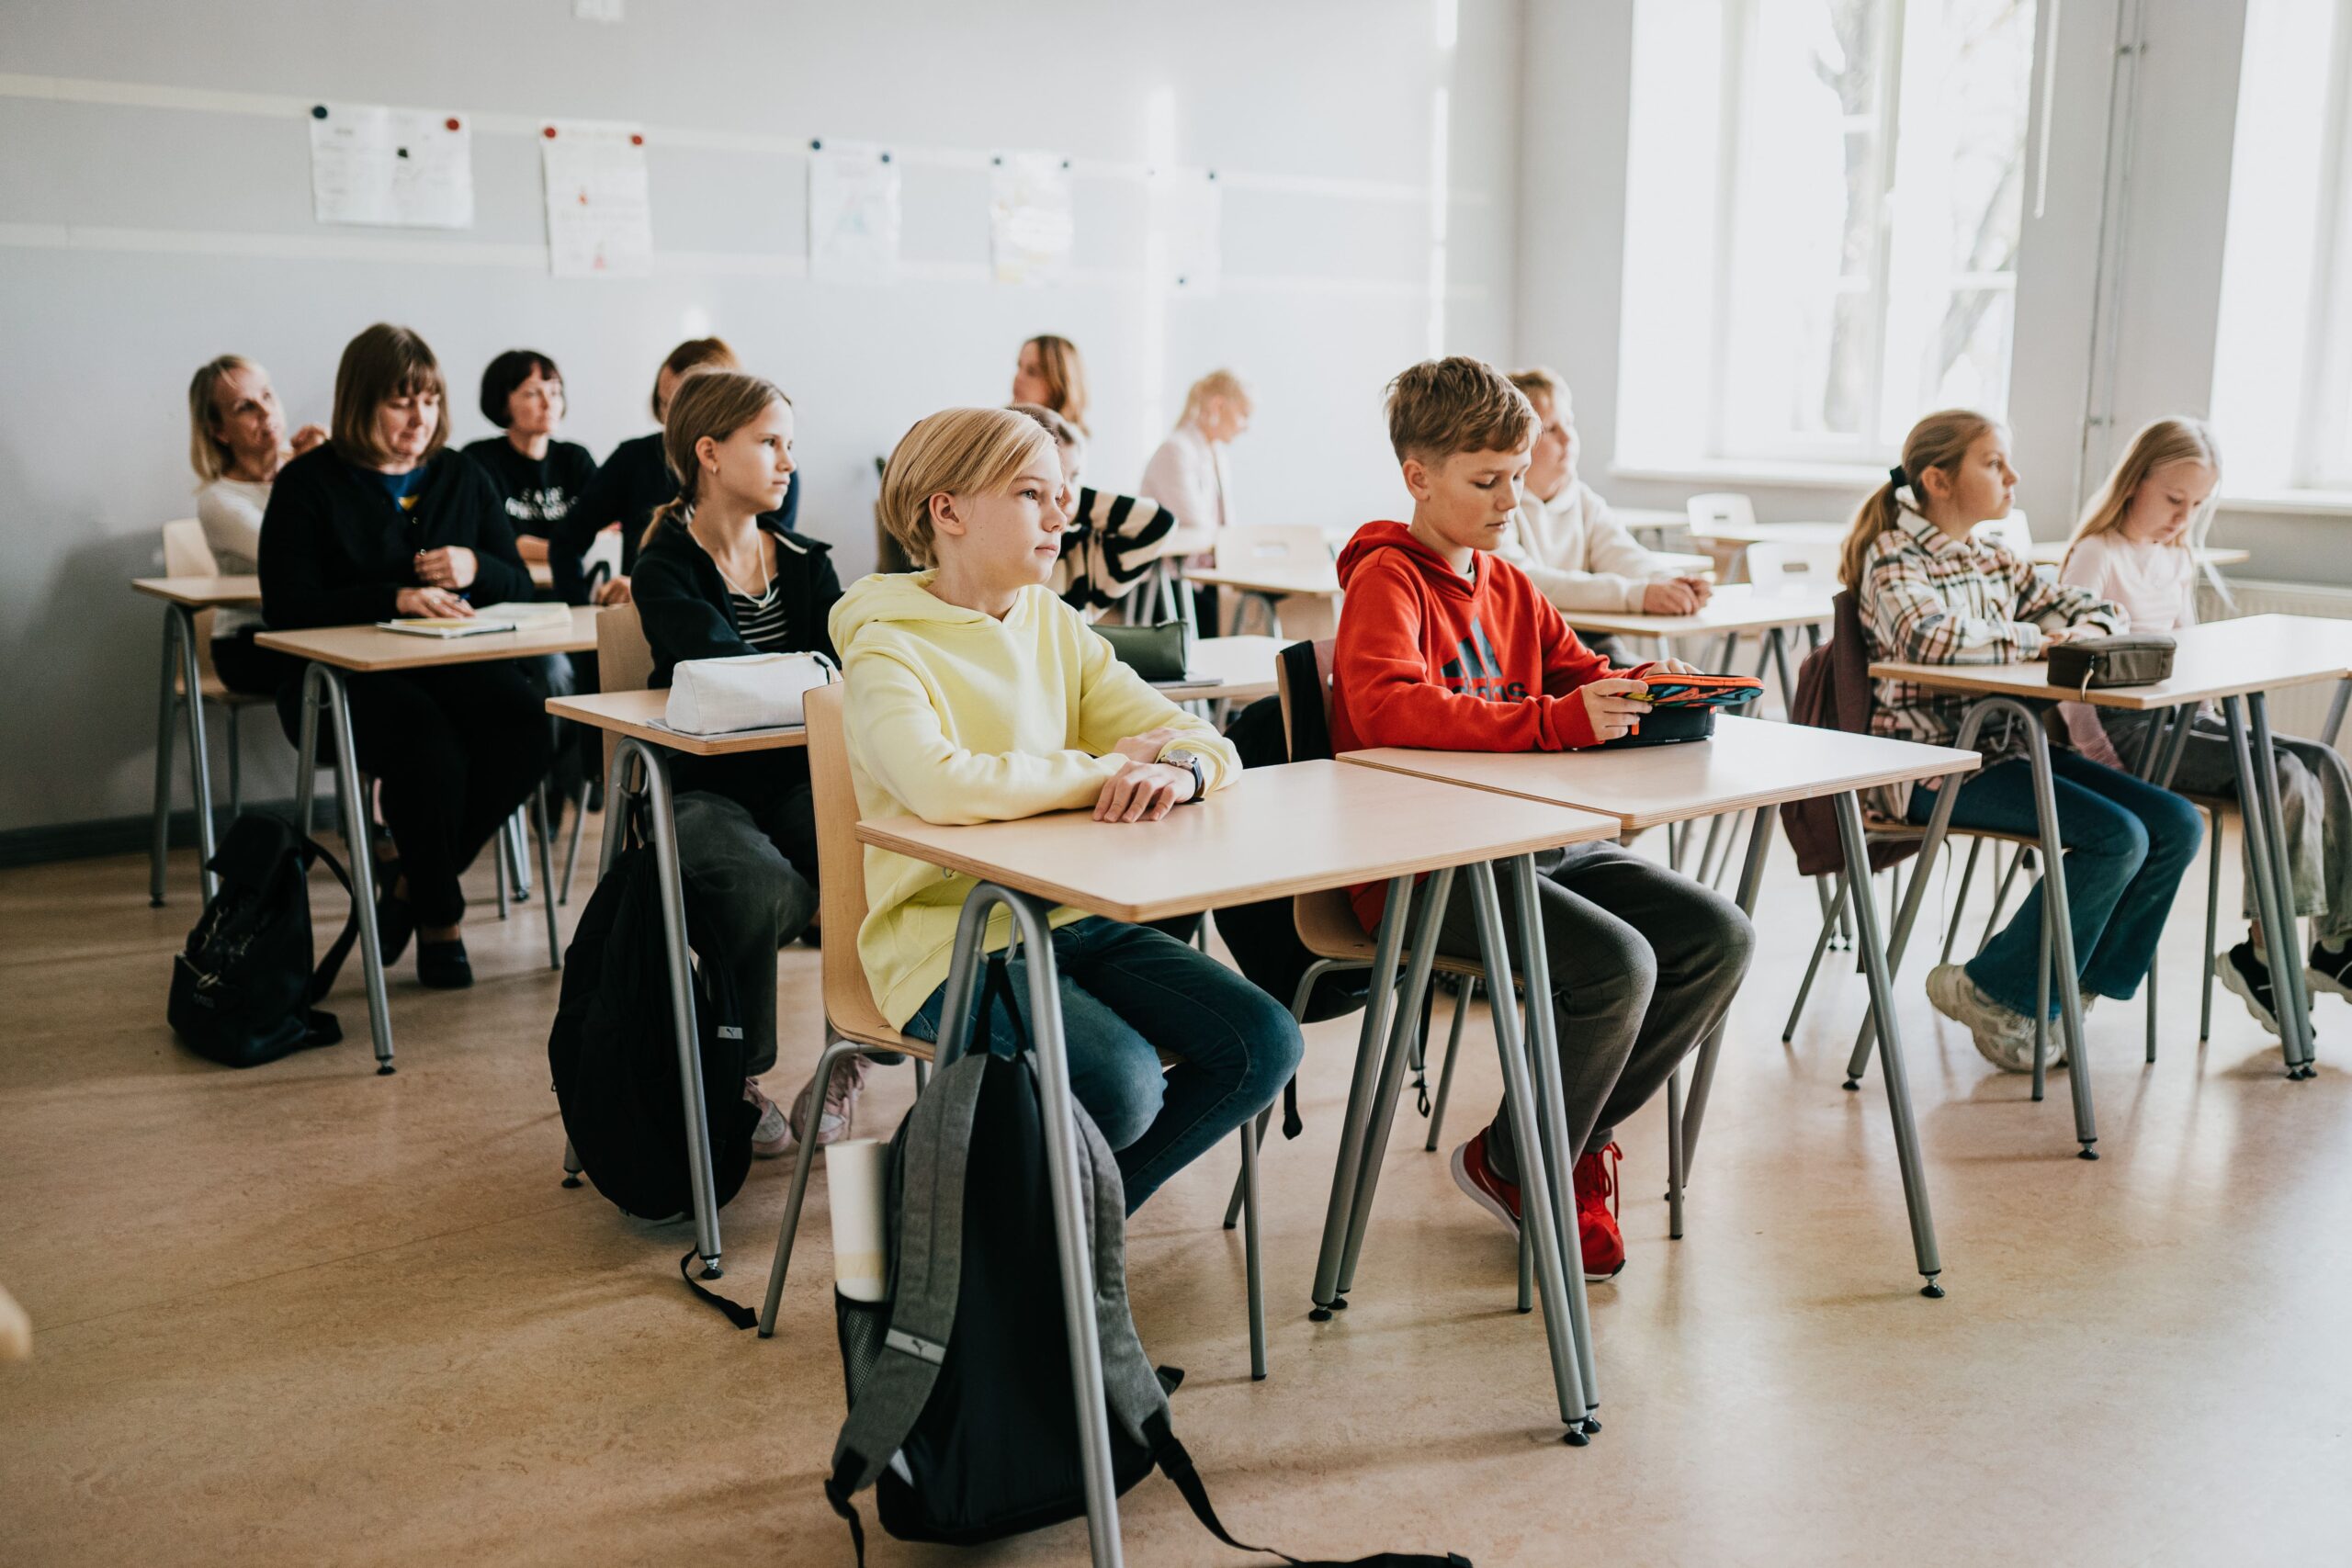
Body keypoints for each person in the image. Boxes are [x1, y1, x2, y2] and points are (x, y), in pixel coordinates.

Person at [1329, 356, 1754, 1282]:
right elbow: (1390, 711)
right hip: (1421, 869)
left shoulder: (1508, 584)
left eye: (1518, 478)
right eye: (1486, 482)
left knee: (1716, 938)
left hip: (1530, 848)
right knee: (1615, 965)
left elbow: (1575, 669)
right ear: (1418, 477)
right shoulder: (1384, 585)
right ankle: (1536, 1158)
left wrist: (1651, 688)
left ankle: (1548, 1145)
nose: (1509, 500)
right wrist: (1556, 722)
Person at [825, 405, 1299, 1211]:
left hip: (1072, 915)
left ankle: (1065, 1240)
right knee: (1123, 1086)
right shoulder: (885, 643)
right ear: (949, 511)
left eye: (1064, 492)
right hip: (949, 941)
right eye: (1031, 494)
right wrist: (1105, 768)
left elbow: (1198, 737)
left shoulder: (1053, 621)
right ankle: (1058, 1250)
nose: (1062, 516)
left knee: (1263, 1041)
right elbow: (942, 783)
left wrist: (1181, 771)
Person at [1845, 409, 2203, 1068]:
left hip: (2009, 749)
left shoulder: (1992, 557)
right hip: (1932, 765)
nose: (2013, 475)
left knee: (2177, 824)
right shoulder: (1893, 555)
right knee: (2116, 836)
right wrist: (2043, 639)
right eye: (1993, 462)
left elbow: (2093, 609)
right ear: (1938, 479)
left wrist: (2081, 628)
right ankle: (1998, 988)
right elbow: (1928, 637)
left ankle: (2065, 992)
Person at [257, 323, 550, 989]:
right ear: (360, 403)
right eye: (400, 402)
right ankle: (441, 918)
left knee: (531, 724)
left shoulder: (459, 474)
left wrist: (477, 563)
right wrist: (395, 596)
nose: (420, 417)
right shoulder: (309, 483)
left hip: (449, 670)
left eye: (430, 400)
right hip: (333, 686)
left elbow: (518, 582)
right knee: (429, 743)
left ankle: (413, 886)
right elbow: (288, 604)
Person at [2058, 418, 2352, 1031]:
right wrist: (2099, 756)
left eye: (2196, 505)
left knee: (2324, 765)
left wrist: (2222, 723)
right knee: (2281, 773)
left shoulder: (2175, 557)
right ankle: (2265, 952)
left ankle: (2336, 941)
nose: (2183, 518)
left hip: (2185, 721)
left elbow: (2190, 656)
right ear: (2135, 482)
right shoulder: (2097, 554)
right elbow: (2070, 676)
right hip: (2127, 735)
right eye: (2173, 500)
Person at [633, 370, 838, 1157]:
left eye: (791, 444)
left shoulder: (808, 562)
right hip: (704, 785)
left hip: (796, 775)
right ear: (709, 453)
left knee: (883, 855)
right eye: (769, 443)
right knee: (758, 889)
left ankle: (851, 1059)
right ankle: (740, 1071)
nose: (788, 461)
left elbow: (856, 660)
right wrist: (812, 670)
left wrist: (816, 670)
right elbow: (725, 672)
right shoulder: (665, 566)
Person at [549, 338, 798, 606]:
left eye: (684, 405)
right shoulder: (633, 458)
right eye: (664, 404)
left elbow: (758, 568)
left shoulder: (777, 479)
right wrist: (580, 611)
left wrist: (656, 587)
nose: (672, 420)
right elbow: (567, 540)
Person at [1499, 367, 1711, 661]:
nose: (1568, 438)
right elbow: (1529, 582)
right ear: (1516, 442)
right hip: (1534, 646)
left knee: (1662, 684)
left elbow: (1622, 554)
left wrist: (1672, 582)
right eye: (1551, 429)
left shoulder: (1583, 499)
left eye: (1569, 423)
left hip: (1592, 642)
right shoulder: (1500, 504)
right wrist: (1638, 595)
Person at [186, 355, 326, 693]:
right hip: (247, 640)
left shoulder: (310, 470)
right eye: (245, 407)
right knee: (342, 676)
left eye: (267, 396)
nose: (266, 413)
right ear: (219, 430)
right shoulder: (218, 501)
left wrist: (332, 469)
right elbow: (300, 557)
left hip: (316, 628)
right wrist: (312, 476)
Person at [1010, 403, 1182, 620]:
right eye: (1033, 490)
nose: (1068, 494)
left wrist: (1071, 502)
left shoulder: (1081, 554)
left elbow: (1158, 524)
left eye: (1074, 478)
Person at [460, 349, 597, 568]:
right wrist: (567, 549)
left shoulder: (575, 458)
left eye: (555, 392)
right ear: (504, 402)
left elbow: (604, 532)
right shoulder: (479, 460)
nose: (548, 403)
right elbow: (492, 540)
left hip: (575, 582)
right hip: (513, 587)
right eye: (533, 393)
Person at [1009, 333, 1089, 434]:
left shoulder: (1067, 446)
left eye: (1032, 371)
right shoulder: (998, 425)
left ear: (1059, 384)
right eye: (1019, 366)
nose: (1018, 377)